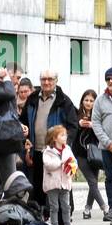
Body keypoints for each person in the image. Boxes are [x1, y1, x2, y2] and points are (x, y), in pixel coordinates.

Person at [23, 69, 78, 205]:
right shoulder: (32, 98)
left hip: (56, 153)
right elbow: (23, 122)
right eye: (43, 79)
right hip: (36, 150)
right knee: (38, 186)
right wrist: (26, 142)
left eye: (50, 79)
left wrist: (64, 146)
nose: (46, 82)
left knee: (60, 185)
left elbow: (73, 126)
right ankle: (41, 216)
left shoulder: (64, 100)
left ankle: (63, 218)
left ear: (56, 81)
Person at [91, 67, 112, 221]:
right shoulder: (100, 99)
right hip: (107, 146)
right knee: (110, 177)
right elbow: (95, 123)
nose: (111, 81)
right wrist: (107, 142)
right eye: (108, 78)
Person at [73, 89, 107, 219]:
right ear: (82, 101)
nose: (88, 103)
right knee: (92, 181)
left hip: (95, 153)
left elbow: (104, 132)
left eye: (91, 101)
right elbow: (70, 129)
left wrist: (94, 125)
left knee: (94, 184)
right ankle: (105, 208)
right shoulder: (76, 114)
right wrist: (79, 124)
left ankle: (87, 209)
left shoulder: (98, 116)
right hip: (81, 153)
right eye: (86, 100)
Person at [40, 124, 78, 225]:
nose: (65, 137)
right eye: (62, 135)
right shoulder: (48, 151)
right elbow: (48, 165)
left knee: (66, 205)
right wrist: (61, 162)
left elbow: (73, 160)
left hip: (65, 182)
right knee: (54, 206)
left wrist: (73, 166)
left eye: (65, 135)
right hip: (52, 183)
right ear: (54, 138)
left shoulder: (68, 149)